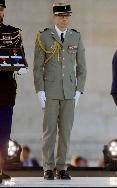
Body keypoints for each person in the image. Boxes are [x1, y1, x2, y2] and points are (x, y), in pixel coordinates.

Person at [33, 2, 86, 180]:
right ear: (54, 17)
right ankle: (48, 167)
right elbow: (37, 67)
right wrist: (40, 91)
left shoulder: (76, 37)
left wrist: (79, 91)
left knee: (65, 131)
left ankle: (62, 167)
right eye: (61, 16)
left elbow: (82, 68)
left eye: (67, 16)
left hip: (70, 92)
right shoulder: (44, 36)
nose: (64, 20)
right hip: (50, 91)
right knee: (49, 132)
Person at [0, 0, 28, 182]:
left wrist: (22, 65)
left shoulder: (12, 32)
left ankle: (0, 170)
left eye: (1, 9)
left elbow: (19, 56)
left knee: (3, 134)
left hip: (6, 91)